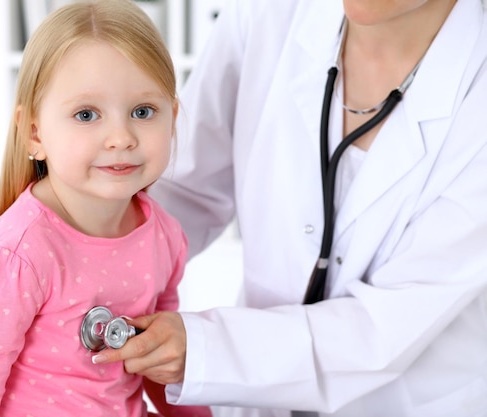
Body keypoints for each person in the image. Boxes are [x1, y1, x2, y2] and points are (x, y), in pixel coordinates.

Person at [94, 0, 487, 416]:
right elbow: (182, 191)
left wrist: (205, 349)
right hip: (250, 402)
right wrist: (80, 264)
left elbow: (385, 328)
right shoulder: (269, 12)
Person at [0, 1, 212, 417]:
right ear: (34, 133)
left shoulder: (164, 235)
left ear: (172, 119)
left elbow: (156, 359)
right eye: (86, 114)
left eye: (142, 111)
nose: (120, 137)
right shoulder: (18, 256)